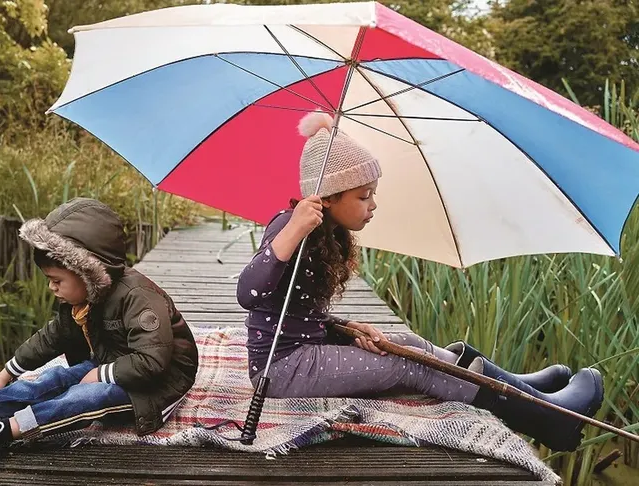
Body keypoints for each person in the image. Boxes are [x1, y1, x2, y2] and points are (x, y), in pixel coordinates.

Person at [237, 112, 603, 452]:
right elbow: (249, 294)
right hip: (282, 369)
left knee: (408, 343)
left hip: (305, 350)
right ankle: (548, 419)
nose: (373, 205)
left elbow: (298, 313)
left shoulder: (327, 233)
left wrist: (345, 328)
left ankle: (516, 387)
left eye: (373, 194)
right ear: (329, 197)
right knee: (405, 365)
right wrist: (294, 231)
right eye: (364, 196)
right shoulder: (289, 226)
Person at [0, 198, 199, 473]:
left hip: (157, 384)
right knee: (52, 378)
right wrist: (7, 372)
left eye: (56, 280)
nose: (51, 287)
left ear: (89, 271)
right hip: (113, 362)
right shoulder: (82, 299)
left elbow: (152, 361)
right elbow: (50, 338)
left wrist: (101, 375)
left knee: (84, 397)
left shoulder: (139, 297)